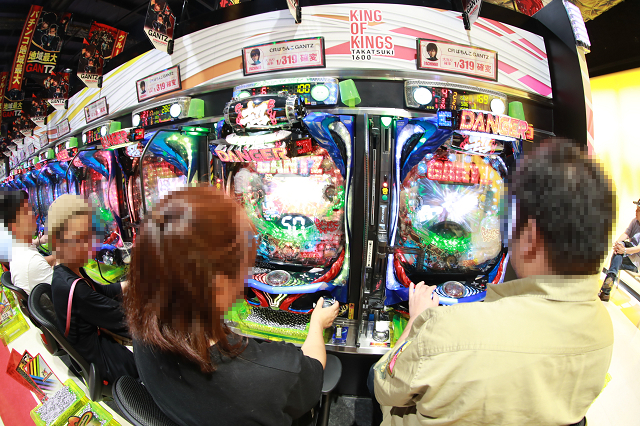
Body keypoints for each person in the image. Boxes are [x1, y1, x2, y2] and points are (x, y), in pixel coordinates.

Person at [373, 139, 615, 425]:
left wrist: (417, 321)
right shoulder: (603, 328)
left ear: (530, 238)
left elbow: (385, 385)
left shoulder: (448, 329)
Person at [124, 186, 339, 426]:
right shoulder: (273, 372)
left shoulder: (141, 328)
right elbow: (313, 371)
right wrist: (317, 324)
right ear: (218, 285)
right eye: (244, 268)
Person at [48, 194, 137, 384]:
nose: (91, 245)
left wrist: (131, 284)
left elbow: (101, 292)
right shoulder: (74, 289)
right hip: (106, 365)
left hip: (98, 348)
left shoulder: (65, 272)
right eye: (81, 238)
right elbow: (124, 319)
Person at [0, 190, 54, 294]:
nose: (34, 215)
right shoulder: (31, 261)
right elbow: (72, 293)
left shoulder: (17, 251)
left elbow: (40, 263)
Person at [599, 199, 640, 301]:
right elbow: (626, 234)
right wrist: (617, 243)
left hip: (636, 262)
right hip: (627, 254)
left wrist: (624, 250)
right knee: (620, 248)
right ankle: (606, 289)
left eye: (638, 210)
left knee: (618, 255)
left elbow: (638, 248)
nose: (636, 211)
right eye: (636, 209)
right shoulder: (634, 221)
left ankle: (606, 290)